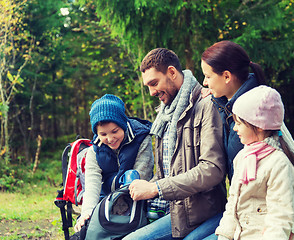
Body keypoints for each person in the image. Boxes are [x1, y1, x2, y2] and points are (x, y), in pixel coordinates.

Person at [191, 40, 294, 239]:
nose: (204, 82)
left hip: (268, 219)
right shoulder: (227, 106)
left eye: (208, 76)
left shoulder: (260, 108)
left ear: (226, 76)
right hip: (242, 215)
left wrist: (291, 228)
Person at [123, 48, 227, 239]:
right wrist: (147, 185)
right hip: (173, 211)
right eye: (147, 86)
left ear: (172, 72)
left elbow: (212, 169)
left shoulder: (206, 105)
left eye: (154, 83)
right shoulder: (165, 115)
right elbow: (167, 174)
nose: (151, 92)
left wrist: (156, 188)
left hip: (201, 213)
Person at [216, 85, 294, 239]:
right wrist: (224, 236)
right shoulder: (243, 157)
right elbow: (232, 203)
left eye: (239, 124)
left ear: (259, 126)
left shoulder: (279, 164)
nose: (235, 129)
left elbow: (279, 217)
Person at [73, 94, 154, 232]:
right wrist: (87, 212)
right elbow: (92, 184)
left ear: (122, 125)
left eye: (114, 131)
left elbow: (143, 176)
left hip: (136, 197)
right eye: (103, 134)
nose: (110, 139)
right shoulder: (94, 151)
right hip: (107, 199)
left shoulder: (141, 139)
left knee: (132, 175)